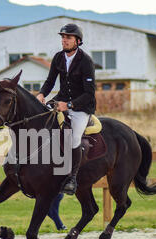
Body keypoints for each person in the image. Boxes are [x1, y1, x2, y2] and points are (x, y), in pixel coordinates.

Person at [37, 23, 97, 195]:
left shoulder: (86, 61)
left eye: (68, 37)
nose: (64, 40)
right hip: (60, 101)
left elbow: (89, 94)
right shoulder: (58, 58)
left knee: (74, 138)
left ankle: (72, 177)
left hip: (82, 107)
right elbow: (50, 82)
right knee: (42, 123)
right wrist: (41, 94)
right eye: (63, 37)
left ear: (77, 41)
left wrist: (69, 105)